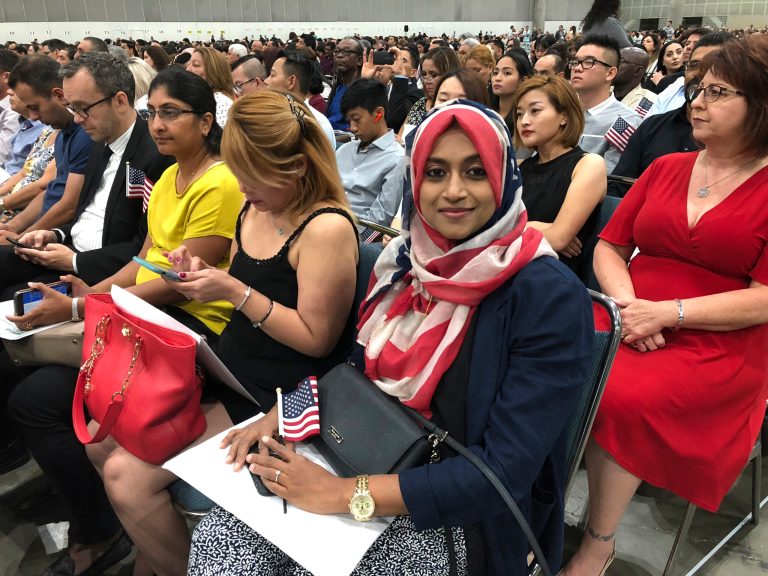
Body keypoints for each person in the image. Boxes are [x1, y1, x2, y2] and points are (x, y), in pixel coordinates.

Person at [186, 98, 593, 576]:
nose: (454, 191)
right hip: (366, 448)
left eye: (476, 171)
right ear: (415, 179)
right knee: (221, 544)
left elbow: (500, 475)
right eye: (436, 172)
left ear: (504, 178)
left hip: (456, 510)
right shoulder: (403, 264)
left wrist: (346, 496)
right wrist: (281, 413)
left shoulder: (546, 297)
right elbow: (354, 375)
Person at [4, 67, 240, 576]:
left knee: (55, 399)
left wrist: (82, 308)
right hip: (148, 314)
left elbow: (179, 282)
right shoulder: (172, 177)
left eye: (172, 113)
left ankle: (129, 544)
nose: (157, 125)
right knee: (42, 379)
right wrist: (93, 293)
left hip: (192, 328)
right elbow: (146, 259)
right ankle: (130, 541)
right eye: (154, 112)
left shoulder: (219, 183)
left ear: (205, 122)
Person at [560, 34, 768, 576]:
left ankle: (598, 542)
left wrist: (669, 313)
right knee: (539, 360)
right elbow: (609, 246)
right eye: (698, 88)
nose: (696, 101)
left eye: (717, 92)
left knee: (619, 396)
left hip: (718, 338)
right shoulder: (667, 167)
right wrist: (630, 306)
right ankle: (529, 501)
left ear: (761, 104)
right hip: (630, 309)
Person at [0, 52, 173, 298]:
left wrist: (75, 262)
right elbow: (85, 214)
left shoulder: (154, 156)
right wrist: (54, 234)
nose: (77, 118)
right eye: (71, 108)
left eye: (83, 109)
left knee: (12, 297)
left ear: (120, 101)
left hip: (100, 270)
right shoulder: (98, 141)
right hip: (68, 251)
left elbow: (143, 246)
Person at [608, 33, 735, 197]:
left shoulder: (740, 139)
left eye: (712, 66)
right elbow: (618, 190)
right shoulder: (651, 127)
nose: (699, 74)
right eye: (694, 65)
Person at [514, 75, 606, 282]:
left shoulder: (588, 164)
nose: (524, 121)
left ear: (564, 116)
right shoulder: (521, 167)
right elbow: (489, 229)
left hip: (555, 279)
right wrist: (541, 227)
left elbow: (559, 238)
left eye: (535, 111)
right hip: (511, 269)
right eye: (520, 114)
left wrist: (512, 228)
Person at [0, 55, 92, 242]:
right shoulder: (62, 133)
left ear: (59, 95)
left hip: (56, 237)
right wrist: (12, 227)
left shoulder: (85, 135)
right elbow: (50, 191)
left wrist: (20, 238)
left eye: (35, 107)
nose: (33, 117)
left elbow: (69, 205)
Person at [336, 79, 405, 228]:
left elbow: (378, 222)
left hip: (356, 236)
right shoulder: (343, 151)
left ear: (378, 114)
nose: (352, 128)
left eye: (356, 119)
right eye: (349, 121)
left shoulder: (396, 159)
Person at [569, 34, 642, 173]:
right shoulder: (562, 110)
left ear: (610, 73)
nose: (577, 68)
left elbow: (608, 177)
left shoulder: (625, 121)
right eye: (575, 62)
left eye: (588, 62)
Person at [266, 49, 335, 146]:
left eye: (272, 75)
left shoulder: (315, 124)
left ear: (291, 81)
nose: (266, 81)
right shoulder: (272, 114)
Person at [401, 47, 461, 136]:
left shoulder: (458, 107)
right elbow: (401, 135)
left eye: (433, 75)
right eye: (424, 74)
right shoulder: (420, 104)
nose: (426, 80)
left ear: (449, 73)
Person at [186, 46, 236, 126]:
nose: (188, 69)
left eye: (195, 65)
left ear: (214, 72)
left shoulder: (220, 103)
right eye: (189, 64)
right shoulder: (203, 98)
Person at [492, 50, 534, 132]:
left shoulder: (525, 119)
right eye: (495, 73)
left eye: (507, 73)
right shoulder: (487, 112)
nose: (497, 78)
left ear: (523, 80)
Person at [327, 37, 363, 130]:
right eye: (337, 51)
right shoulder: (338, 87)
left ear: (359, 60)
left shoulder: (364, 90)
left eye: (347, 51)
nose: (339, 55)